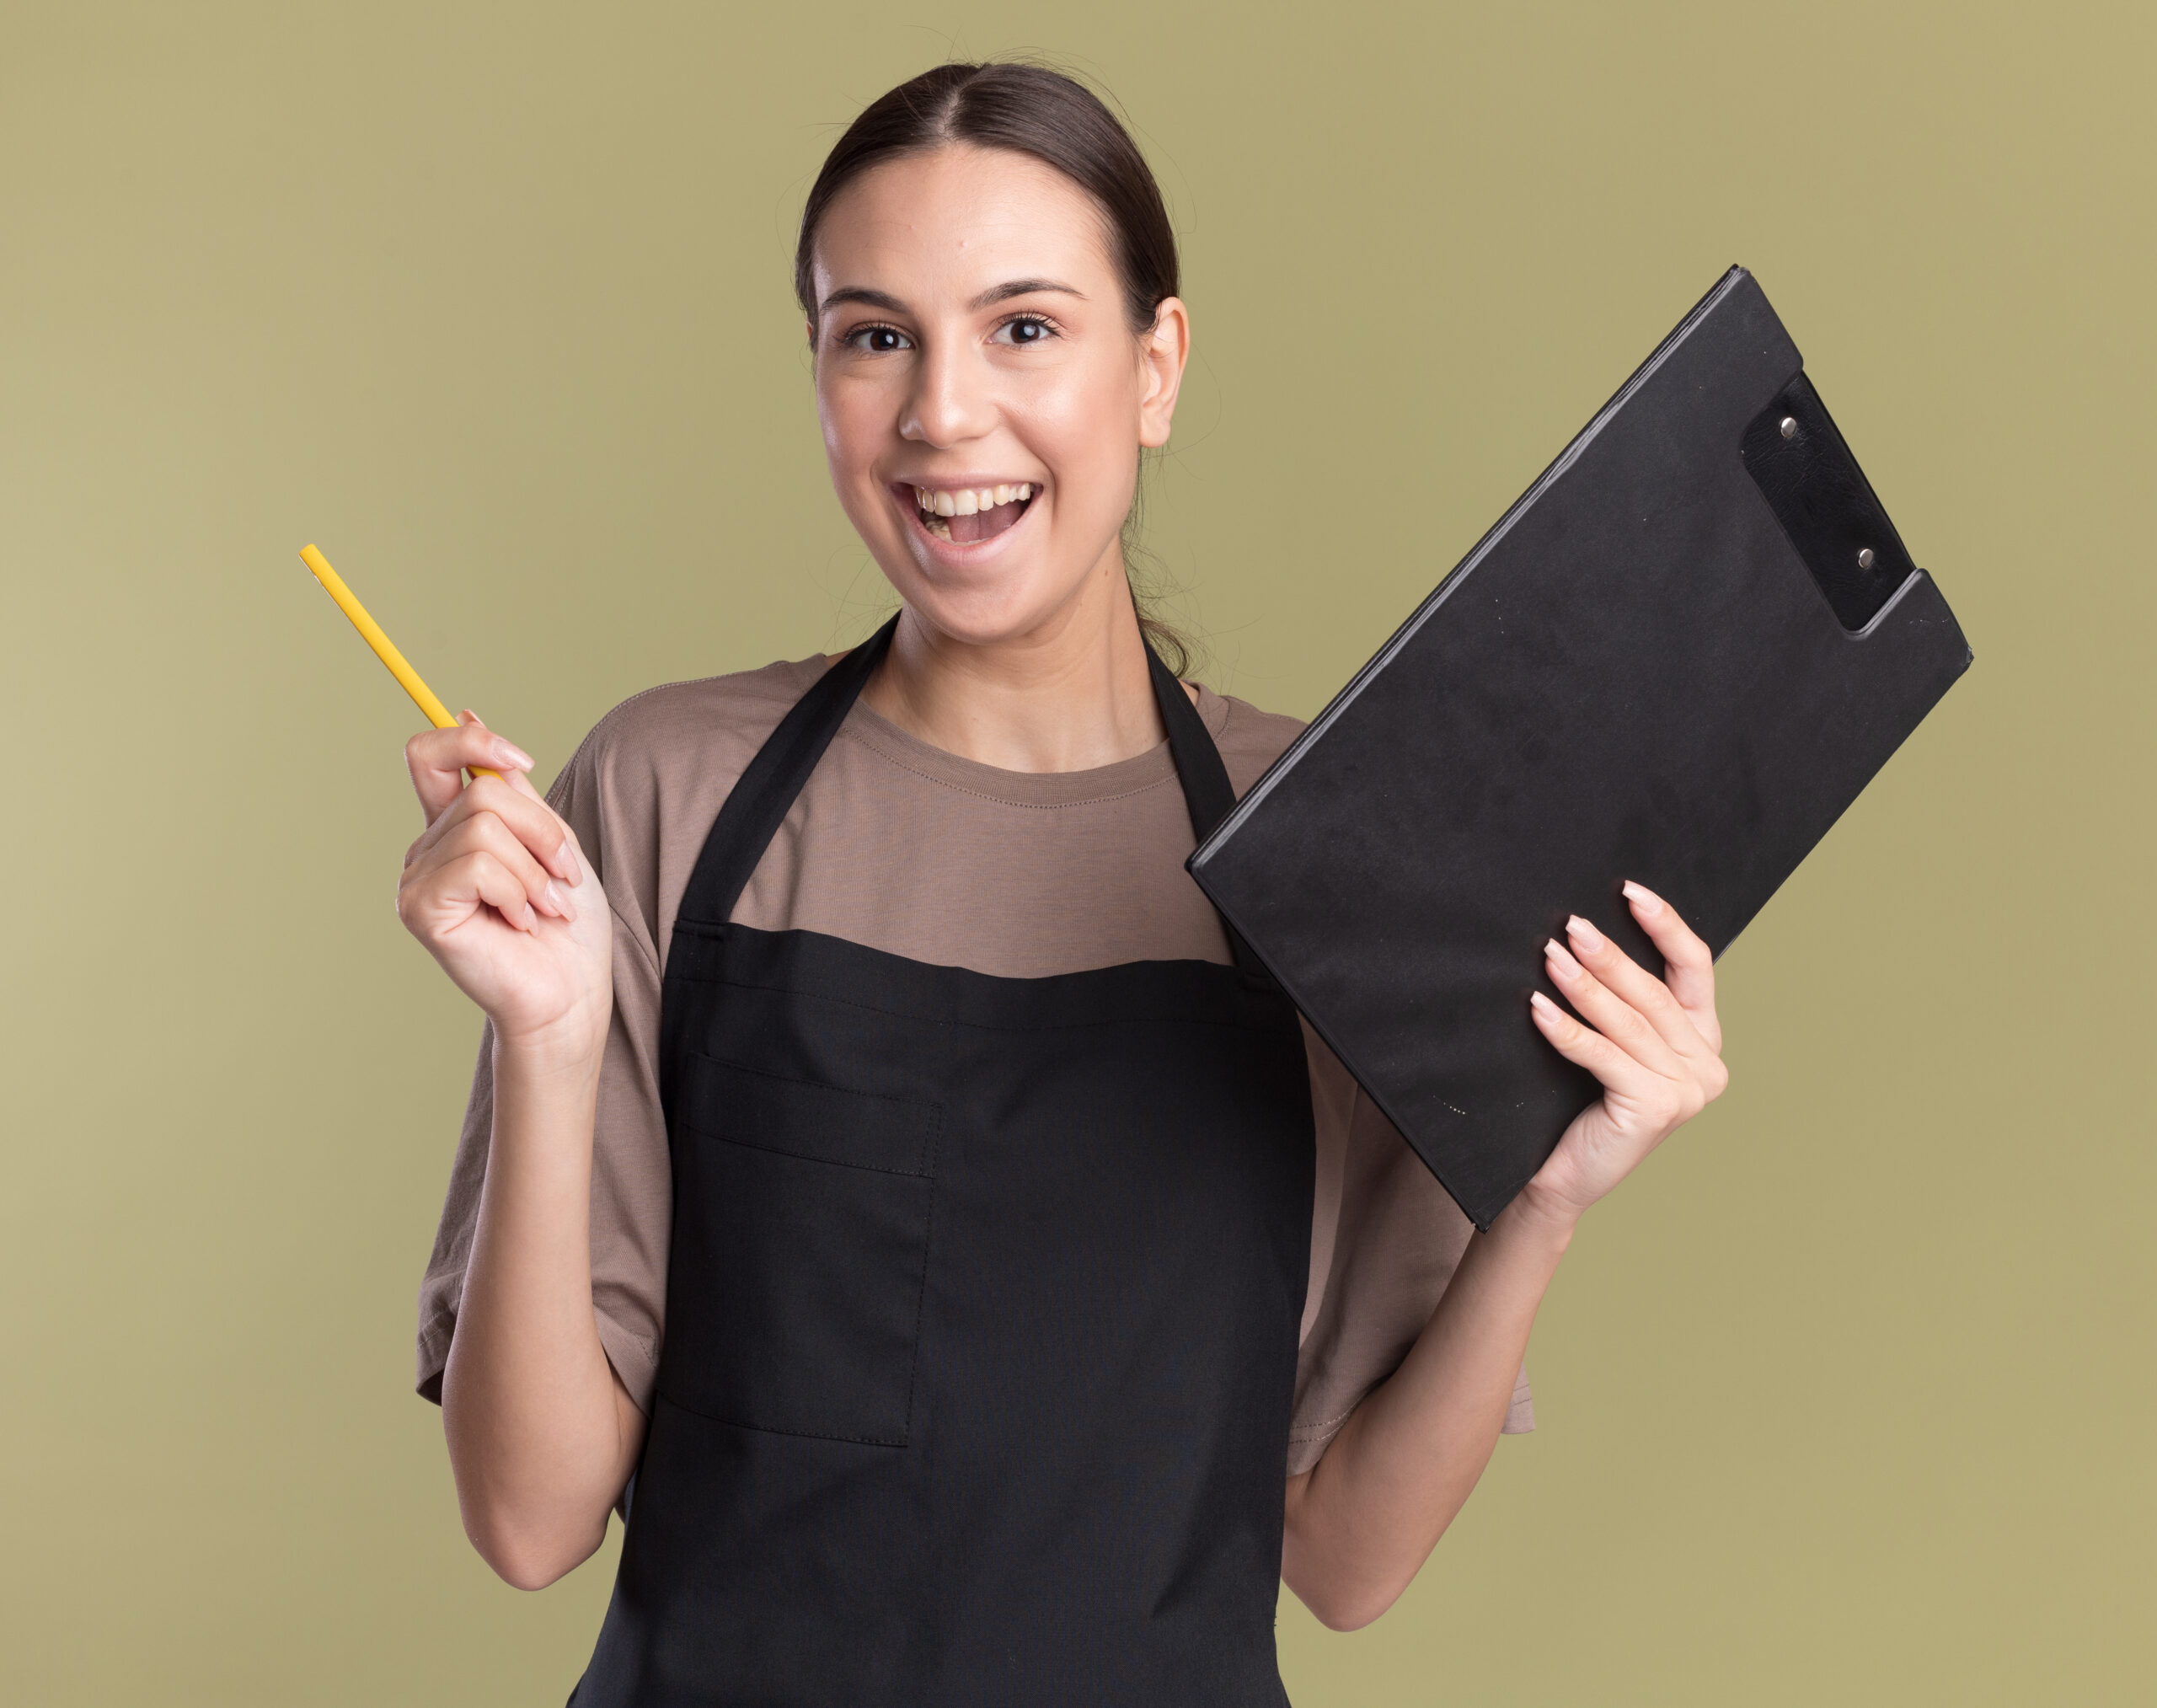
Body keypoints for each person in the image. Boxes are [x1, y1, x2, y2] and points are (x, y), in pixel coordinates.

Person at [399, 62, 1729, 1706]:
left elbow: (1340, 1560)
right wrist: (546, 1034)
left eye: (1023, 327)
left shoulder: (1346, 847)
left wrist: (1544, 1190)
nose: (942, 413)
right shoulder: (663, 791)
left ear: (1154, 368)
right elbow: (529, 1524)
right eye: (872, 335)